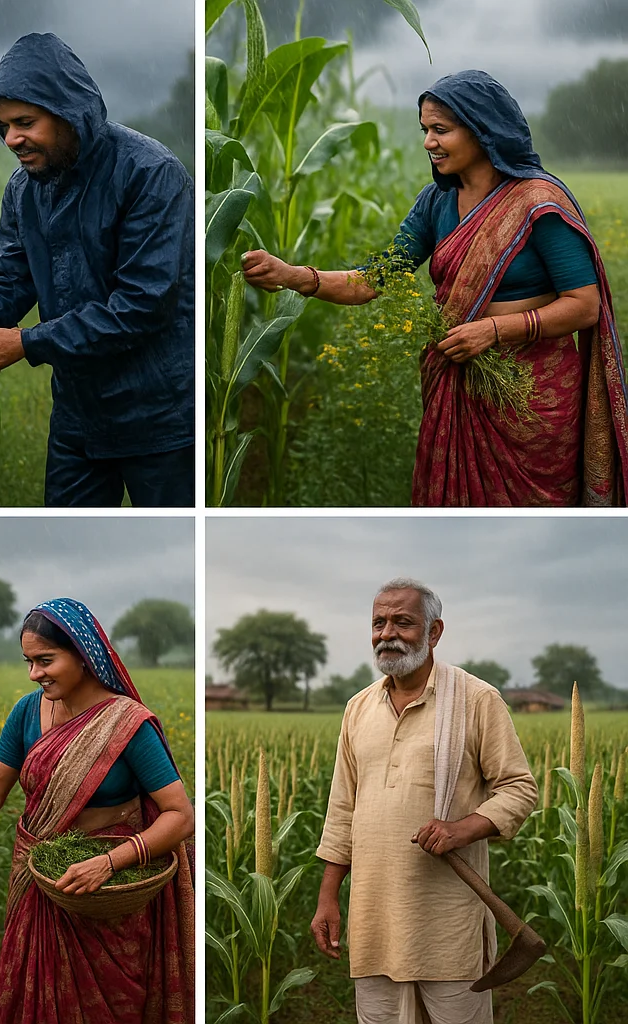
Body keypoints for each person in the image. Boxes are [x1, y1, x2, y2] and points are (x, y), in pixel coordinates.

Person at [242, 69, 627, 506]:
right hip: (458, 384)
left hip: (531, 398)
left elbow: (584, 305)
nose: (428, 142)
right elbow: (373, 281)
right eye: (425, 130)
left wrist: (494, 331)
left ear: (482, 131)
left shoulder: (537, 204)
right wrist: (295, 276)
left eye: (440, 130)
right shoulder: (436, 203)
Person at [0, 33, 195, 508]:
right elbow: (8, 277)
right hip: (78, 420)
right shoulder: (25, 189)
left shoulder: (149, 173)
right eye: (4, 126)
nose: (11, 139)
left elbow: (142, 305)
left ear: (69, 112)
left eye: (25, 122)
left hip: (159, 419)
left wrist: (26, 342)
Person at [0, 598, 195, 1023]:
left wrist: (109, 862)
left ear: (84, 656)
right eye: (28, 662)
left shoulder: (127, 724)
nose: (35, 674)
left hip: (112, 889)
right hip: (43, 878)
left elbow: (180, 815)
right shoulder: (27, 711)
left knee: (113, 1005)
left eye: (45, 660)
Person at [312, 578, 537, 1024]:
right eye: (379, 622)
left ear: (434, 633)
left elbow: (519, 787)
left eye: (403, 622)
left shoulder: (475, 699)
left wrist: (462, 828)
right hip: (374, 916)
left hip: (445, 923)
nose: (387, 633)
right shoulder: (358, 708)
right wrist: (328, 897)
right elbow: (343, 809)